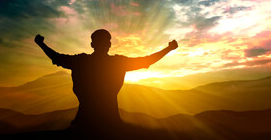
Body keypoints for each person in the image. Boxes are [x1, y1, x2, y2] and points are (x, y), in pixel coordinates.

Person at [34, 29, 178, 133]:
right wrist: (168, 49)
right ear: (109, 45)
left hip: (85, 122)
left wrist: (41, 44)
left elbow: (56, 57)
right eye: (106, 41)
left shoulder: (80, 61)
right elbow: (146, 61)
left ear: (92, 45)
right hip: (110, 122)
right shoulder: (116, 63)